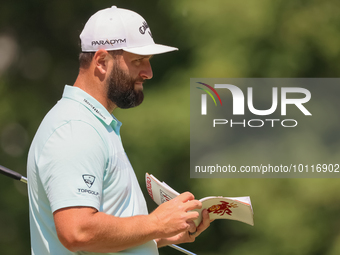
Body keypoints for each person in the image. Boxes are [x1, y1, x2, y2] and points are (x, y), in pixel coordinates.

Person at [27, 6, 211, 255]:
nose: (148, 73)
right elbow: (78, 231)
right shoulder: (75, 128)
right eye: (138, 61)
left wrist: (159, 235)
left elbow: (99, 240)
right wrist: (156, 222)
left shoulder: (94, 124)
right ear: (101, 62)